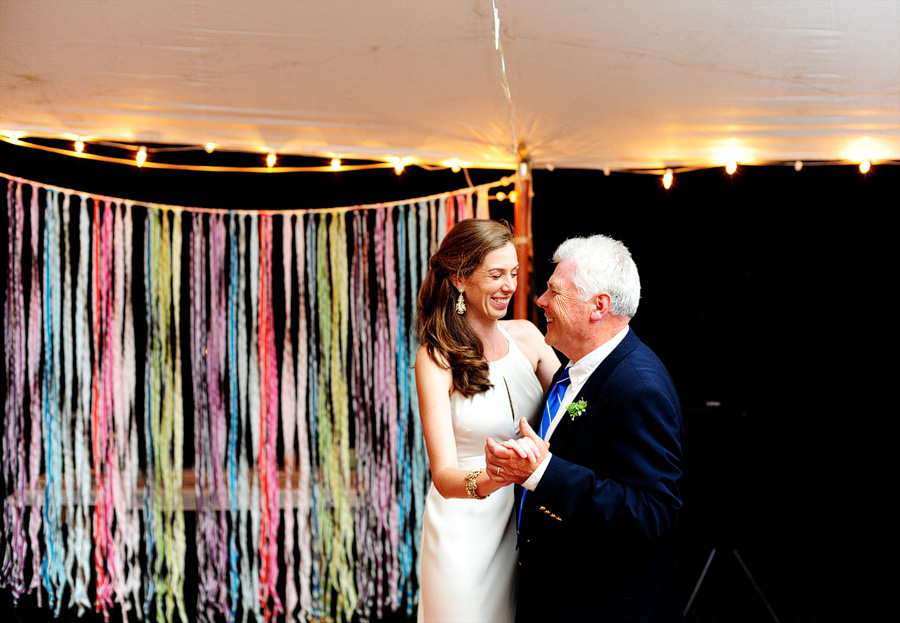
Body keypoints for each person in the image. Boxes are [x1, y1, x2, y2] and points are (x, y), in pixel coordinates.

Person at [485, 233, 684, 623]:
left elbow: (652, 512)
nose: (540, 301)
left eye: (554, 292)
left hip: (602, 607)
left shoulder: (639, 387)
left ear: (599, 306)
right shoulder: (578, 366)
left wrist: (542, 473)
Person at [414, 218, 560, 623]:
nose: (510, 286)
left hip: (526, 529)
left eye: (513, 273)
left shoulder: (529, 337)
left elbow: (576, 403)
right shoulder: (435, 358)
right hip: (464, 535)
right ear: (461, 278)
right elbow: (443, 475)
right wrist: (496, 478)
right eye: (495, 274)